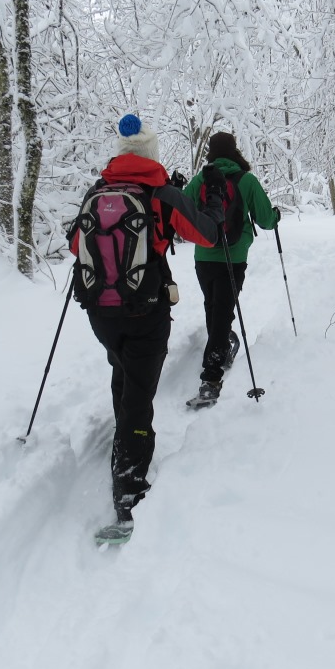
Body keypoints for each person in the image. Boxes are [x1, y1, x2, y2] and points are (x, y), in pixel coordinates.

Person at [69, 114, 224, 536]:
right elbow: (208, 235)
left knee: (123, 370)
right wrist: (211, 201)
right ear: (152, 154)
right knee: (139, 392)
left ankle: (124, 436)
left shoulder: (96, 192)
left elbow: (76, 245)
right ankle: (129, 491)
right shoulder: (163, 193)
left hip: (100, 312)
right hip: (145, 310)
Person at [183, 132, 279, 408]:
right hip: (234, 256)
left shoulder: (201, 179)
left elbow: (184, 211)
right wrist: (275, 216)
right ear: (234, 150)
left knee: (213, 306)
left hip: (204, 255)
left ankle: (220, 346)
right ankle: (211, 379)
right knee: (223, 311)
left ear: (211, 153)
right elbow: (265, 219)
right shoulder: (246, 180)